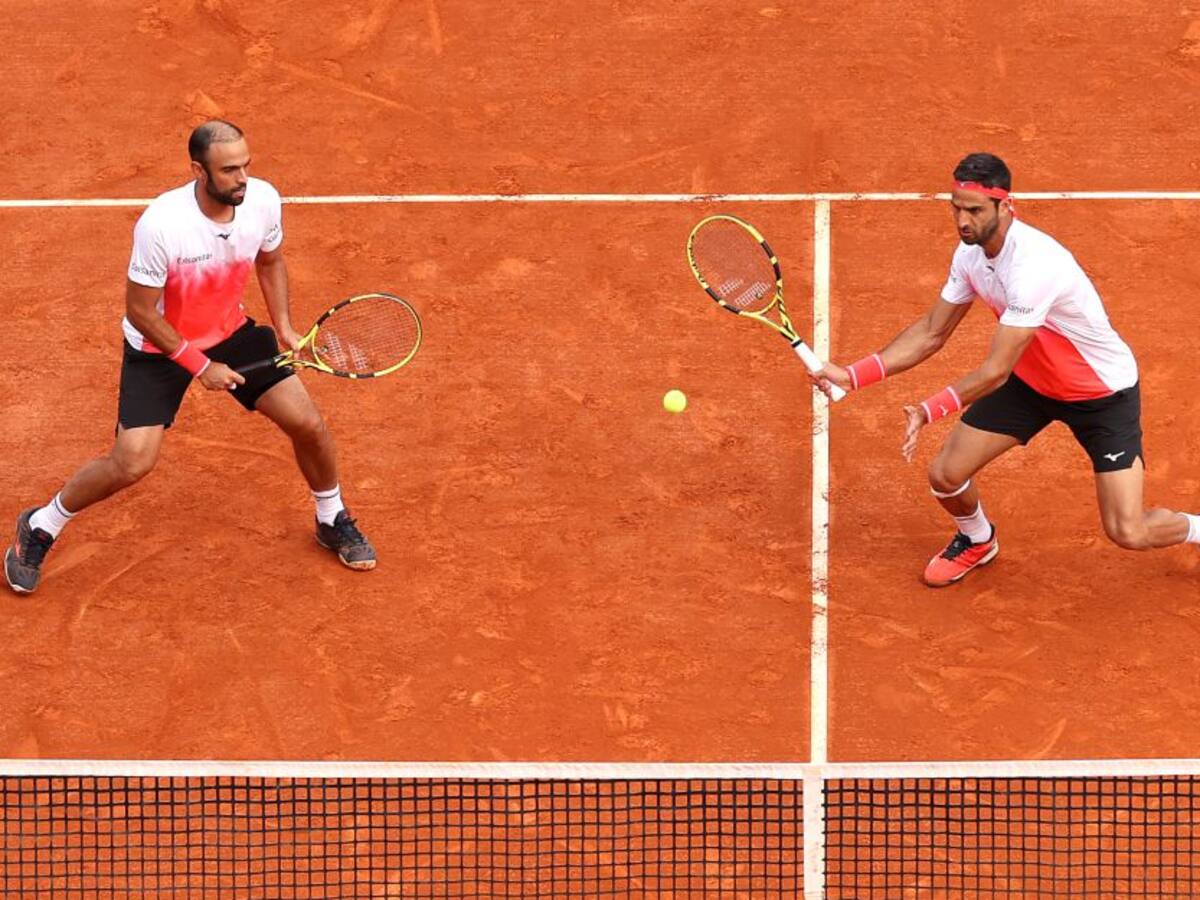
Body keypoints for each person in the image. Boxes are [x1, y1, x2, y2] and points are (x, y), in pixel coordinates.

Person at [5, 120, 375, 595]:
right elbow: (141, 312)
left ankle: (330, 517)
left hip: (230, 331)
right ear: (199, 171)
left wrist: (283, 327)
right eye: (229, 170)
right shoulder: (162, 224)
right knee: (132, 462)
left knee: (308, 424)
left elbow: (270, 261)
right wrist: (200, 366)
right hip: (159, 344)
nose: (242, 179)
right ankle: (41, 524)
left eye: (245, 165)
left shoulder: (263, 200)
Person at [811, 152, 1200, 587]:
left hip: (1101, 395)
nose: (963, 221)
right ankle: (978, 540)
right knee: (946, 474)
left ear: (1006, 206)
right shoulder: (969, 257)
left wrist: (927, 409)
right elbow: (932, 332)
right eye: (956, 208)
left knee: (1128, 530)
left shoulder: (1034, 266)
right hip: (1033, 385)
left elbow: (996, 371)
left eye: (975, 211)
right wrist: (853, 375)